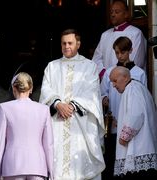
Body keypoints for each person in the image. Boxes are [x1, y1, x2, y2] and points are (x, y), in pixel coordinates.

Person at [39, 29, 105, 179]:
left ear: (78, 44)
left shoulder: (89, 66)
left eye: (70, 43)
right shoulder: (52, 66)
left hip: (80, 124)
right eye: (64, 43)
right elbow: (45, 89)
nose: (67, 46)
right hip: (58, 122)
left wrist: (73, 105)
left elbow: (92, 90)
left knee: (80, 166)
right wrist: (57, 104)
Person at [100, 36, 147, 179]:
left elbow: (142, 99)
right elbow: (102, 93)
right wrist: (104, 99)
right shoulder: (110, 72)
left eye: (123, 52)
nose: (120, 56)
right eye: (117, 53)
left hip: (131, 123)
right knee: (112, 158)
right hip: (114, 122)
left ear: (131, 51)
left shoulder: (139, 73)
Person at [0, 72, 54, 180]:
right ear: (31, 89)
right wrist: (52, 171)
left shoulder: (4, 108)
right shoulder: (43, 110)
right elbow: (48, 144)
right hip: (37, 166)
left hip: (12, 166)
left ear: (13, 88)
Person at [109, 66, 157, 179]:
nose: (113, 85)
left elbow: (136, 115)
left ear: (125, 78)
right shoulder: (137, 87)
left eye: (115, 81)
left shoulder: (132, 89)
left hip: (139, 149)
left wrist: (124, 137)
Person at [92, 0, 147, 78]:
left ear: (126, 14)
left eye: (117, 12)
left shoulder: (136, 33)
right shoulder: (105, 35)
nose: (113, 14)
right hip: (107, 80)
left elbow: (136, 61)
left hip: (128, 80)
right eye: (111, 12)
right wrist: (104, 74)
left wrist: (117, 76)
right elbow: (96, 59)